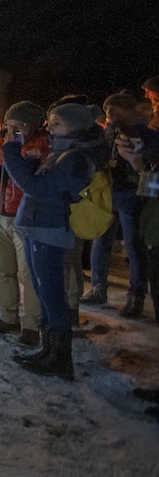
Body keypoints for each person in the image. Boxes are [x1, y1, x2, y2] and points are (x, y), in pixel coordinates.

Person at [2, 103, 105, 380]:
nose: (49, 127)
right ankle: (49, 352)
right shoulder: (62, 153)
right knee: (43, 291)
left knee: (51, 295)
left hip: (49, 231)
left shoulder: (76, 158)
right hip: (39, 228)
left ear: (75, 127)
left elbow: (39, 190)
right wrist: (28, 161)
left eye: (56, 123)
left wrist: (11, 153)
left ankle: (60, 360)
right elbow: (43, 185)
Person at [0, 100, 48, 347]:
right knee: (2, 269)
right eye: (8, 125)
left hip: (25, 217)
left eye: (18, 126)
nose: (11, 131)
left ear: (32, 126)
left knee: (29, 274)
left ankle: (33, 326)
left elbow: (36, 180)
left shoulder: (41, 145)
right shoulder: (0, 144)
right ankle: (8, 316)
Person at [85, 92, 159, 316]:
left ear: (127, 110)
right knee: (101, 242)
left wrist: (138, 158)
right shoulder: (108, 133)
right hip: (109, 193)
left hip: (133, 194)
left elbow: (152, 161)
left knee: (134, 246)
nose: (109, 116)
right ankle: (98, 288)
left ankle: (135, 297)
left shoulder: (146, 134)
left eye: (114, 111)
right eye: (107, 112)